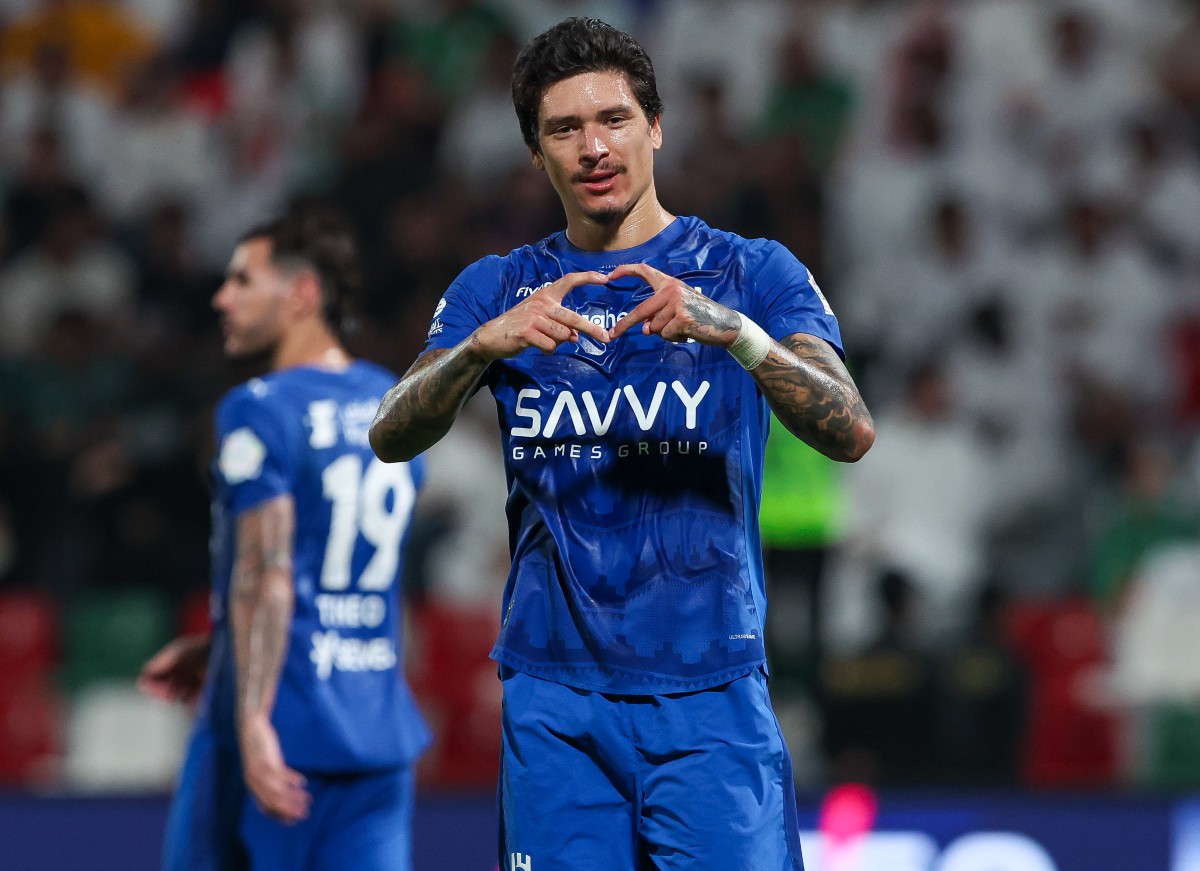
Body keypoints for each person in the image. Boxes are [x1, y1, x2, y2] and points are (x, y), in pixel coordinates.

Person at [369, 17, 874, 870]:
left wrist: (736, 335)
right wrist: (483, 346)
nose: (593, 147)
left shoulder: (750, 273)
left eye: (614, 120)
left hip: (711, 691)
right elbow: (390, 430)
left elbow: (850, 426)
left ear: (656, 127)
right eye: (565, 129)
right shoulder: (496, 290)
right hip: (555, 700)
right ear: (537, 153)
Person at [139, 205, 430, 871]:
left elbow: (268, 572)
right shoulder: (395, 401)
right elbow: (335, 564)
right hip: (375, 730)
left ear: (302, 294)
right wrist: (222, 644)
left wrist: (249, 723)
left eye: (243, 279)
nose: (222, 296)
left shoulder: (258, 407)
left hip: (278, 728)